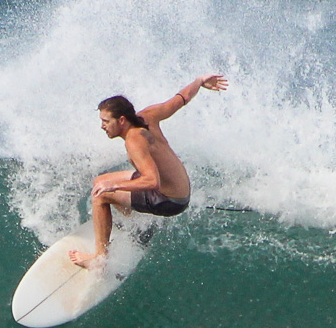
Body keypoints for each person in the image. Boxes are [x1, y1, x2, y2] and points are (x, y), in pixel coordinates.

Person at [68, 73, 229, 268]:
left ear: (121, 120)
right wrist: (199, 81)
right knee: (100, 181)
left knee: (101, 195)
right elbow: (181, 99)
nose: (102, 126)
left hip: (169, 201)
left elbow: (153, 181)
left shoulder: (134, 141)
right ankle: (134, 224)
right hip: (181, 188)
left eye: (105, 121)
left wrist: (113, 185)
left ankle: (100, 259)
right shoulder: (147, 116)